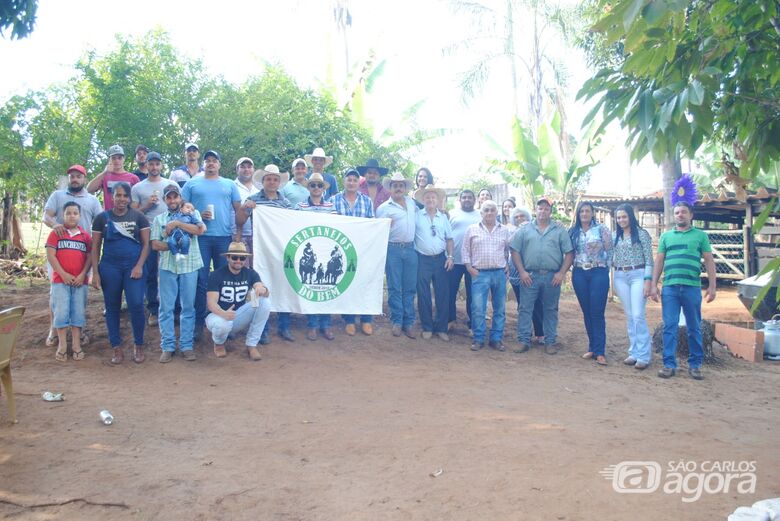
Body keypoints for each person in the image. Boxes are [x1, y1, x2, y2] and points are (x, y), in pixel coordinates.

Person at [650, 201, 717, 380]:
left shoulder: (700, 236)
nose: (680, 215)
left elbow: (709, 261)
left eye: (683, 212)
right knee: (669, 327)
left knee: (694, 327)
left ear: (691, 215)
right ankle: (668, 365)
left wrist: (712, 286)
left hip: (692, 288)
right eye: (677, 212)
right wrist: (653, 285)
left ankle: (695, 365)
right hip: (670, 288)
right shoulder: (666, 237)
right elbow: (659, 261)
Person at [181, 150, 242, 340]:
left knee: (226, 281)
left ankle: (226, 322)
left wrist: (238, 234)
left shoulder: (229, 184)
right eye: (207, 161)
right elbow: (183, 209)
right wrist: (198, 213)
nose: (210, 164)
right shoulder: (192, 184)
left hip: (224, 237)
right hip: (201, 237)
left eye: (214, 161)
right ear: (203, 164)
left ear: (219, 165)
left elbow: (238, 211)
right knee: (201, 280)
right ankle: (199, 322)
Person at [90, 182, 150, 364]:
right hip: (110, 267)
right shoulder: (102, 218)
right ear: (112, 197)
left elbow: (146, 245)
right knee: (112, 307)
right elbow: (95, 247)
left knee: (136, 304)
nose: (121, 199)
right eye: (118, 195)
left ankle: (138, 344)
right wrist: (96, 272)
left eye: (125, 195)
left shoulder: (139, 217)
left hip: (133, 266)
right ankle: (116, 346)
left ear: (129, 198)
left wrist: (139, 266)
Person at [43, 164, 103, 346]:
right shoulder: (57, 195)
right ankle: (54, 330)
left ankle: (79, 331)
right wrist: (55, 225)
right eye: (72, 176)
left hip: (82, 253)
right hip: (59, 251)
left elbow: (100, 223)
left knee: (80, 292)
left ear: (84, 178)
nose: (75, 179)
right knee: (56, 292)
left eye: (78, 176)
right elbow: (47, 216)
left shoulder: (92, 200)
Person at [237, 164, 294, 343]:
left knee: (285, 284)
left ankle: (284, 326)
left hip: (283, 250)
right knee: (260, 285)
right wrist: (245, 208)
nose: (272, 181)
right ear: (263, 182)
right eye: (268, 178)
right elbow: (239, 221)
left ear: (279, 182)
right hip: (260, 249)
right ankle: (262, 330)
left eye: (275, 179)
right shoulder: (253, 199)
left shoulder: (286, 203)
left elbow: (295, 224)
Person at [510, 196, 573, 355]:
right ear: (535, 210)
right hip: (529, 276)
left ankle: (550, 341)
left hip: (552, 277)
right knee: (525, 309)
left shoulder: (559, 230)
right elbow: (514, 250)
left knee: (551, 309)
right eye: (540, 208)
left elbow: (569, 253)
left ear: (550, 211)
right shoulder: (524, 230)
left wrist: (561, 273)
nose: (543, 211)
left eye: (546, 208)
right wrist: (522, 272)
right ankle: (524, 340)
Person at [150, 184, 206, 362]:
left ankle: (187, 346)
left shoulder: (193, 213)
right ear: (165, 200)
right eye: (169, 197)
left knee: (188, 307)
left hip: (190, 266)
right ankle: (167, 346)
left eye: (175, 197)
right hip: (167, 266)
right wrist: (176, 245)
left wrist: (177, 224)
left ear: (180, 198)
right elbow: (155, 244)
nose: (172, 200)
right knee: (166, 308)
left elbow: (200, 230)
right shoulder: (159, 219)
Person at [131, 151, 177, 326]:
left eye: (158, 164)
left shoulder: (171, 184)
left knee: (172, 270)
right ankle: (153, 309)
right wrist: (147, 205)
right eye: (151, 164)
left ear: (161, 165)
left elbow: (178, 205)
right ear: (146, 165)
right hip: (148, 234)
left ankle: (174, 308)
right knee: (150, 272)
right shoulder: (138, 187)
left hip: (170, 232)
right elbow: (133, 213)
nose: (154, 167)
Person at [206, 242, 271, 361]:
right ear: (228, 258)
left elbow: (262, 288)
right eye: (234, 257)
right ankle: (219, 344)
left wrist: (262, 289)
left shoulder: (250, 273)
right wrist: (223, 314)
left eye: (242, 258)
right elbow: (211, 303)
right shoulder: (217, 275)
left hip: (237, 315)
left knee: (264, 302)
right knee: (221, 324)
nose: (238, 261)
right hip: (216, 316)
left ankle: (251, 345)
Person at [462, 200, 513, 351]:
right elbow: (465, 250)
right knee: (478, 308)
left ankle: (496, 339)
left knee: (499, 308)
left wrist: (507, 266)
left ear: (497, 212)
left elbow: (508, 251)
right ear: (481, 213)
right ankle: (478, 338)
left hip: (499, 273)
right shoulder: (472, 229)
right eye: (486, 210)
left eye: (492, 210)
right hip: (479, 273)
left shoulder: (504, 230)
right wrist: (469, 268)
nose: (489, 213)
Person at [45, 201, 91, 361]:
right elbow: (51, 255)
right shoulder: (56, 233)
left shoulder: (85, 236)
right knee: (61, 312)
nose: (72, 216)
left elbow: (90, 258)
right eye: (68, 213)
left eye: (75, 213)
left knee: (78, 312)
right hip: (60, 281)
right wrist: (63, 274)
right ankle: (62, 345)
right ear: (62, 215)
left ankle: (76, 345)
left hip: (80, 282)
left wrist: (83, 275)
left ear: (79, 216)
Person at [333, 167, 376, 336]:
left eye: (354, 180)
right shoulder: (333, 200)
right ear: (344, 181)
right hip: (342, 250)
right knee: (348, 283)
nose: (351, 182)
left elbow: (373, 226)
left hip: (363, 250)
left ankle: (366, 320)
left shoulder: (367, 201)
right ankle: (349, 320)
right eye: (348, 179)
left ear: (359, 183)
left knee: (365, 283)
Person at [569, 201, 613, 365]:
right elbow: (570, 253)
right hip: (580, 273)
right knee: (586, 311)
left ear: (592, 213)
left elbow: (610, 250)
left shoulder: (602, 230)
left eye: (587, 211)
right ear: (578, 214)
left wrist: (605, 269)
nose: (585, 214)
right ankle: (592, 348)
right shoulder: (573, 232)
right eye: (582, 212)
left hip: (598, 273)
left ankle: (600, 351)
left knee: (597, 311)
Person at [295, 172, 337, 340]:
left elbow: (336, 227)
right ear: (308, 187)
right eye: (313, 185)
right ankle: (312, 324)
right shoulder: (299, 206)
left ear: (323, 188)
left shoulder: (331, 206)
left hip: (326, 250)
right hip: (308, 246)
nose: (316, 188)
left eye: (320, 185)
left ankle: (326, 325)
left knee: (326, 287)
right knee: (311, 287)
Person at [612, 203, 654, 371]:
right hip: (620, 276)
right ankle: (634, 352)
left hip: (638, 274)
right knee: (630, 315)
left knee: (638, 315)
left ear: (630, 216)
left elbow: (649, 259)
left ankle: (644, 355)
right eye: (619, 217)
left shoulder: (642, 234)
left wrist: (648, 281)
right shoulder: (616, 235)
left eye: (624, 216)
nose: (621, 220)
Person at [377, 173, 418, 338]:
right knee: (394, 287)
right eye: (395, 185)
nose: (399, 188)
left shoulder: (412, 203)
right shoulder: (383, 209)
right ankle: (397, 321)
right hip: (392, 249)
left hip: (410, 249)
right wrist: (386, 227)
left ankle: (408, 323)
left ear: (405, 188)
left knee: (409, 288)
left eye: (401, 185)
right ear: (390, 188)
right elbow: (378, 232)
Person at [414, 185, 454, 341]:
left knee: (442, 293)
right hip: (422, 259)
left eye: (433, 197)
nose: (430, 199)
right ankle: (427, 327)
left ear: (438, 200)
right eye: (427, 197)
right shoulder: (417, 216)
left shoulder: (443, 218)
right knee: (423, 294)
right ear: (423, 200)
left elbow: (449, 239)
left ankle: (442, 328)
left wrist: (450, 257)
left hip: (441, 259)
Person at [507, 207, 545, 342]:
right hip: (516, 272)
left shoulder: (536, 229)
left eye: (522, 216)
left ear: (528, 217)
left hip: (533, 271)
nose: (519, 219)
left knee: (537, 302)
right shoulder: (510, 230)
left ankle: (540, 333)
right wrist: (519, 230)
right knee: (522, 304)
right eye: (516, 217)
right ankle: (525, 333)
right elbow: (509, 244)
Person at [447, 190, 481, 331]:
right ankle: (450, 320)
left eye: (470, 197)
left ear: (475, 200)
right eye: (464, 197)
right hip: (453, 260)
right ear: (459, 199)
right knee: (450, 292)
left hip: (473, 262)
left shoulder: (480, 215)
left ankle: (473, 323)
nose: (467, 199)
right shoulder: (452, 214)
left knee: (473, 294)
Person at [87, 144, 140, 210]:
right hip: (108, 217)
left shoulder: (134, 178)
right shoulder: (105, 176)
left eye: (119, 158)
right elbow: (89, 189)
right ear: (109, 159)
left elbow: (139, 199)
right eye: (113, 158)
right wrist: (104, 172)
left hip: (127, 218)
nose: (117, 161)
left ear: (124, 159)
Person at [232, 157, 258, 253]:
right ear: (237, 170)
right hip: (237, 235)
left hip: (258, 235)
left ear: (253, 169)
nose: (246, 169)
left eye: (249, 167)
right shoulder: (231, 186)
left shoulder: (260, 187)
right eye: (242, 167)